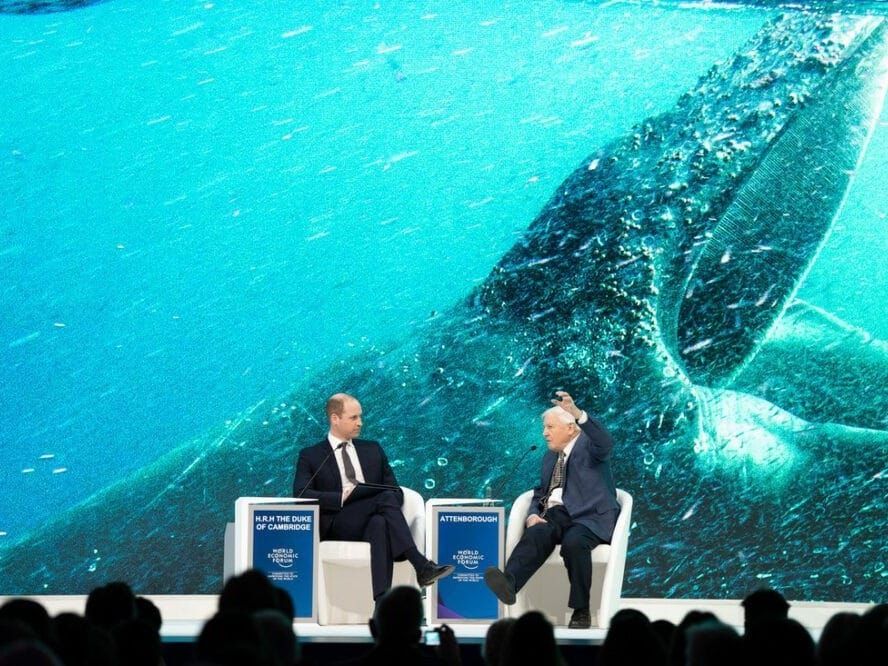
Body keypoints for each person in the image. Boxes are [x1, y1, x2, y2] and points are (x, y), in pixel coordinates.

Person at [293, 393, 453, 603]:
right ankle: (419, 563)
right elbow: (301, 494)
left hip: (373, 516)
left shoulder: (372, 449)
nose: (360, 423)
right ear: (335, 418)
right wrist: (341, 497)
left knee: (379, 522)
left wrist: (379, 504)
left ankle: (381, 602)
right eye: (353, 418)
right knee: (384, 499)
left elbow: (395, 491)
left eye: (360, 417)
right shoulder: (311, 455)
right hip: (338, 521)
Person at [484, 391, 619, 629]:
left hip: (588, 518)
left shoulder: (590, 446)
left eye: (549, 427)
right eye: (544, 428)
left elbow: (605, 442)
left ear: (570, 428)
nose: (544, 433)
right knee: (537, 532)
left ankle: (581, 610)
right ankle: (509, 582)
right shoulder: (549, 457)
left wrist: (577, 413)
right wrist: (533, 513)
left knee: (574, 543)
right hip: (556, 516)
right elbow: (540, 492)